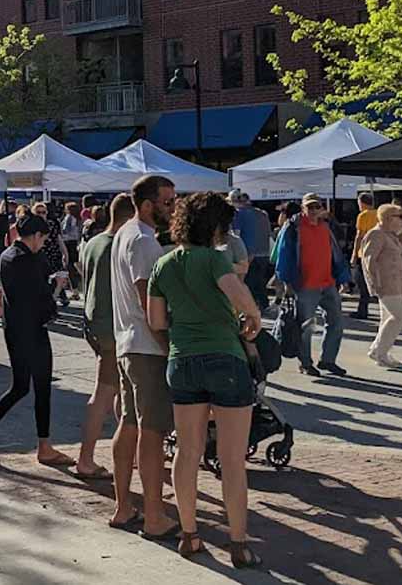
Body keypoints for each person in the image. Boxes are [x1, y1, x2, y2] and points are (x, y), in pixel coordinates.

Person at [146, 192, 263, 569]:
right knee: (231, 458)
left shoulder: (163, 264)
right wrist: (253, 317)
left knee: (187, 451)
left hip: (183, 361)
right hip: (225, 358)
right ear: (215, 227)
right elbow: (239, 295)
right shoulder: (214, 258)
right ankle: (239, 542)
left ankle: (189, 533)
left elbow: (157, 321)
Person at [109, 175, 179, 538]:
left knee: (131, 425)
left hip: (128, 343)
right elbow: (146, 299)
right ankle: (153, 516)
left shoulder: (125, 233)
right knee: (151, 432)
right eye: (168, 202)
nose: (173, 207)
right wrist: (167, 344)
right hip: (146, 347)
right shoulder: (143, 241)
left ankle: (124, 507)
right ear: (148, 204)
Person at [0, 214, 71, 466]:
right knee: (41, 388)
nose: (43, 243)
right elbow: (41, 299)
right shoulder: (27, 260)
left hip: (14, 329)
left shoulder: (9, 255)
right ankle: (45, 446)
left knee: (20, 386)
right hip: (32, 329)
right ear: (36, 236)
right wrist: (58, 287)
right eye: (43, 238)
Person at [75, 193, 134, 481]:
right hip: (113, 329)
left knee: (121, 391)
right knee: (103, 393)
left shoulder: (93, 242)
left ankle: (129, 452)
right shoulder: (119, 245)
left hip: (95, 326)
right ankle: (85, 459)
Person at [273, 193, 351, 377]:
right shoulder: (293, 227)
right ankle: (305, 363)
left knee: (336, 322)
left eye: (318, 206)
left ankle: (328, 360)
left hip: (327, 282)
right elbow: (283, 256)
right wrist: (287, 283)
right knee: (305, 327)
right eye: (311, 206)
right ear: (303, 208)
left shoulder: (326, 226)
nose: (315, 210)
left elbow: (336, 254)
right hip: (305, 285)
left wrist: (343, 278)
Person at [361, 204, 402, 369]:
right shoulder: (376, 234)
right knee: (401, 314)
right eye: (398, 216)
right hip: (385, 284)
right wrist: (375, 284)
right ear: (388, 218)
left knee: (387, 318)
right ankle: (381, 354)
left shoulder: (390, 235)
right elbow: (369, 261)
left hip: (395, 284)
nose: (401, 220)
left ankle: (377, 350)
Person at [228, 189, 273, 310]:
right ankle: (263, 306)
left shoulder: (238, 214)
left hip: (247, 255)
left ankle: (251, 312)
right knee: (260, 283)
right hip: (264, 254)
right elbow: (268, 235)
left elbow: (236, 235)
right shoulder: (263, 214)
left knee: (248, 286)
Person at [34, 202, 70, 306]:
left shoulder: (53, 223)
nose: (41, 214)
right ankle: (49, 305)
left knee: (57, 279)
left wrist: (65, 253)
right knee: (44, 282)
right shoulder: (32, 226)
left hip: (53, 254)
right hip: (40, 255)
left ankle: (57, 300)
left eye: (43, 212)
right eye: (38, 212)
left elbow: (59, 239)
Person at [351, 192, 378, 319]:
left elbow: (359, 236)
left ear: (361, 203)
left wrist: (354, 255)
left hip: (364, 253)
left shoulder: (362, 216)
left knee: (361, 282)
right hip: (378, 252)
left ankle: (362, 310)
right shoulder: (379, 214)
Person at [61, 202, 83, 292]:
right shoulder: (77, 218)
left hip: (67, 241)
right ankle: (75, 286)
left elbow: (65, 229)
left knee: (68, 264)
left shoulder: (69, 217)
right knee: (74, 264)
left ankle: (73, 287)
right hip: (74, 241)